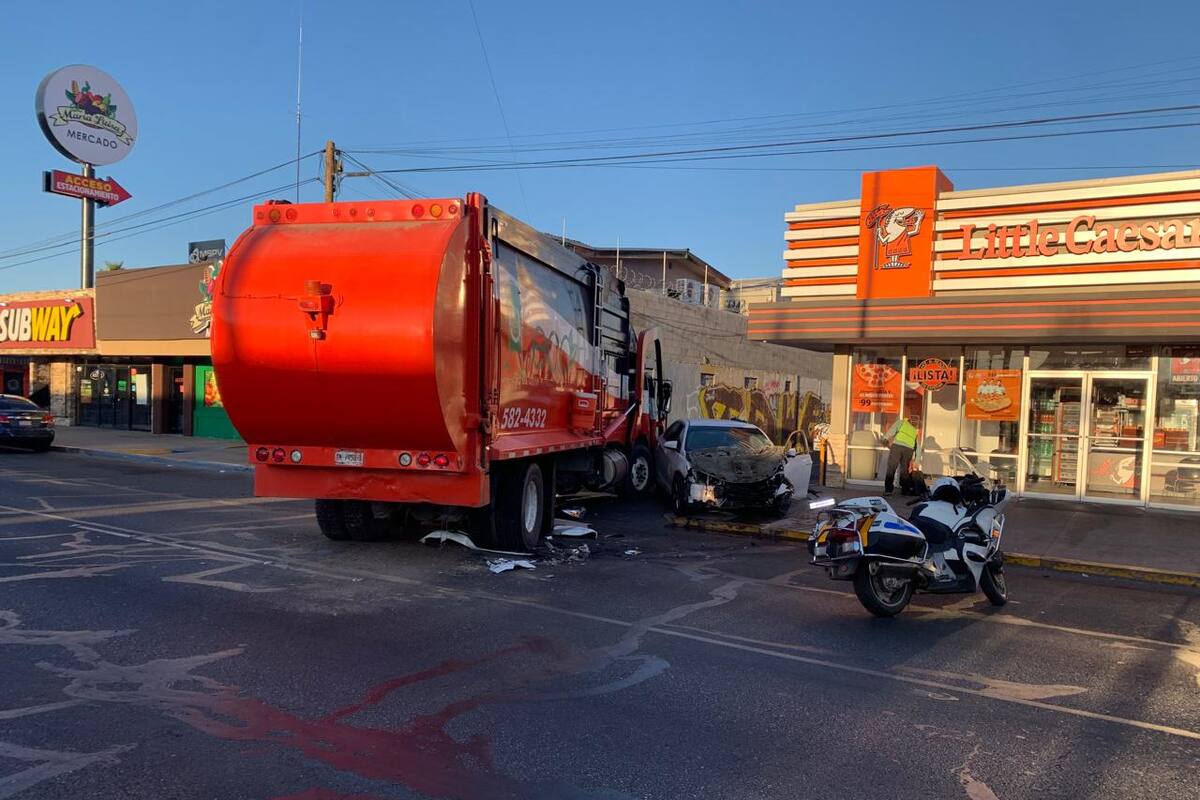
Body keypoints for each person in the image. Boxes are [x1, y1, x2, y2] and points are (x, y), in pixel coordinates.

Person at [883, 414, 921, 495]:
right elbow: (918, 447)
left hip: (897, 447)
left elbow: (892, 430)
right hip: (908, 450)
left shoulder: (901, 422)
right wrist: (917, 461)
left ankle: (888, 490)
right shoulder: (914, 431)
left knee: (891, 468)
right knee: (904, 471)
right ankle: (905, 490)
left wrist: (885, 438)